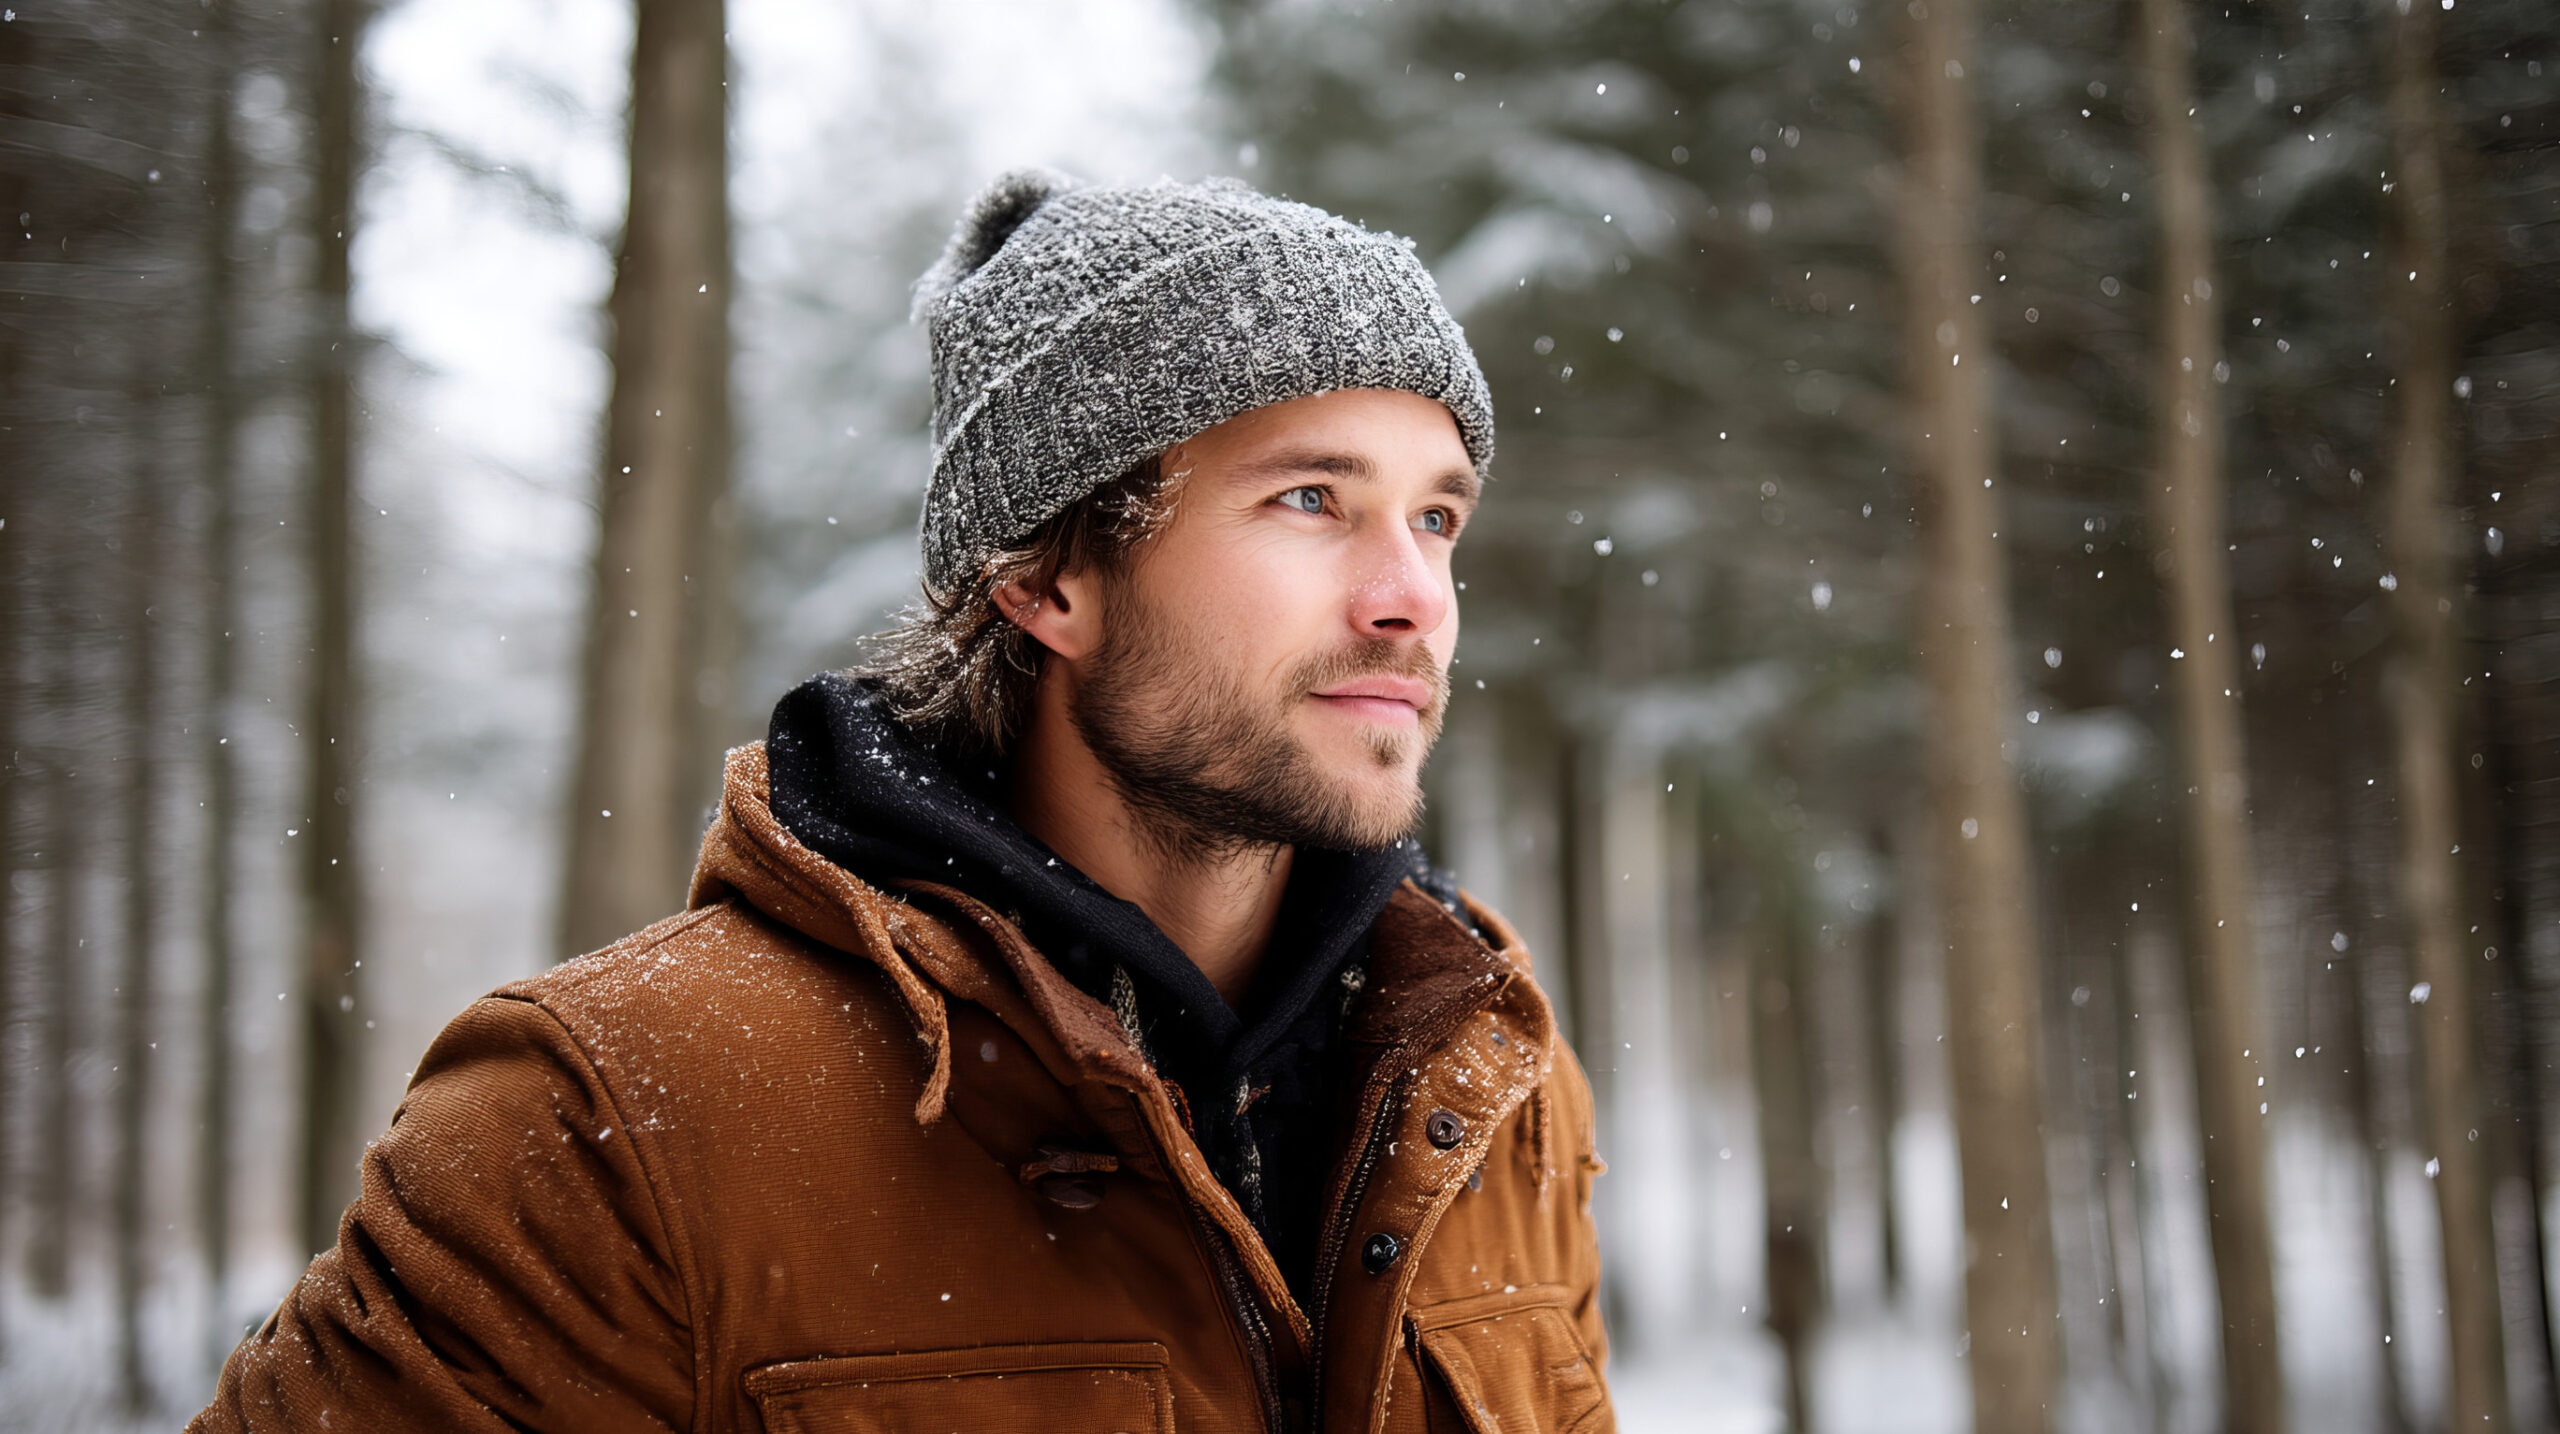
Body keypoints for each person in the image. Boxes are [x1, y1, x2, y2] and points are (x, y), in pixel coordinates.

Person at [194, 170, 1612, 1434]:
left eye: (1438, 516)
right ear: (1047, 577)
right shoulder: (615, 1114)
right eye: (1312, 498)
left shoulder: (1488, 1074)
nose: (1414, 599)